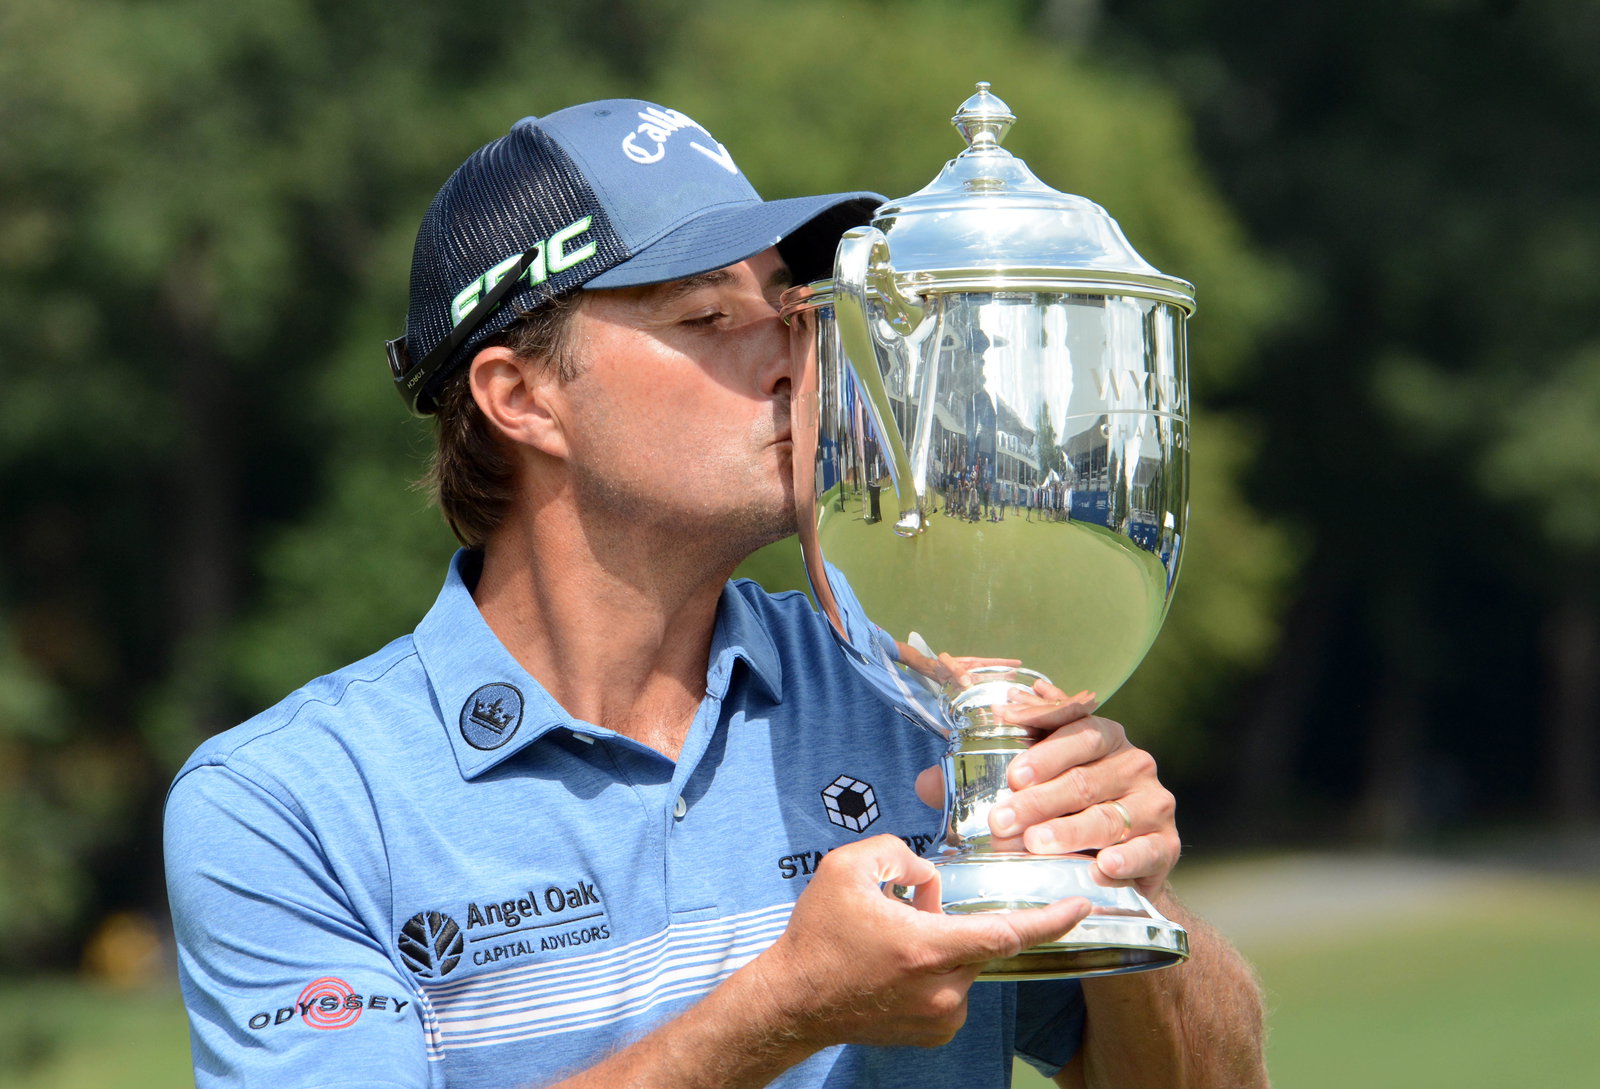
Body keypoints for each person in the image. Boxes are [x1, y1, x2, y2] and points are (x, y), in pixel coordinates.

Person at [165, 98, 1266, 1089]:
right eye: (706, 320)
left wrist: (1122, 898)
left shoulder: (919, 680)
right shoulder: (288, 806)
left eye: (789, 311)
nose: (798, 358)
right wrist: (782, 1010)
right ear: (522, 397)